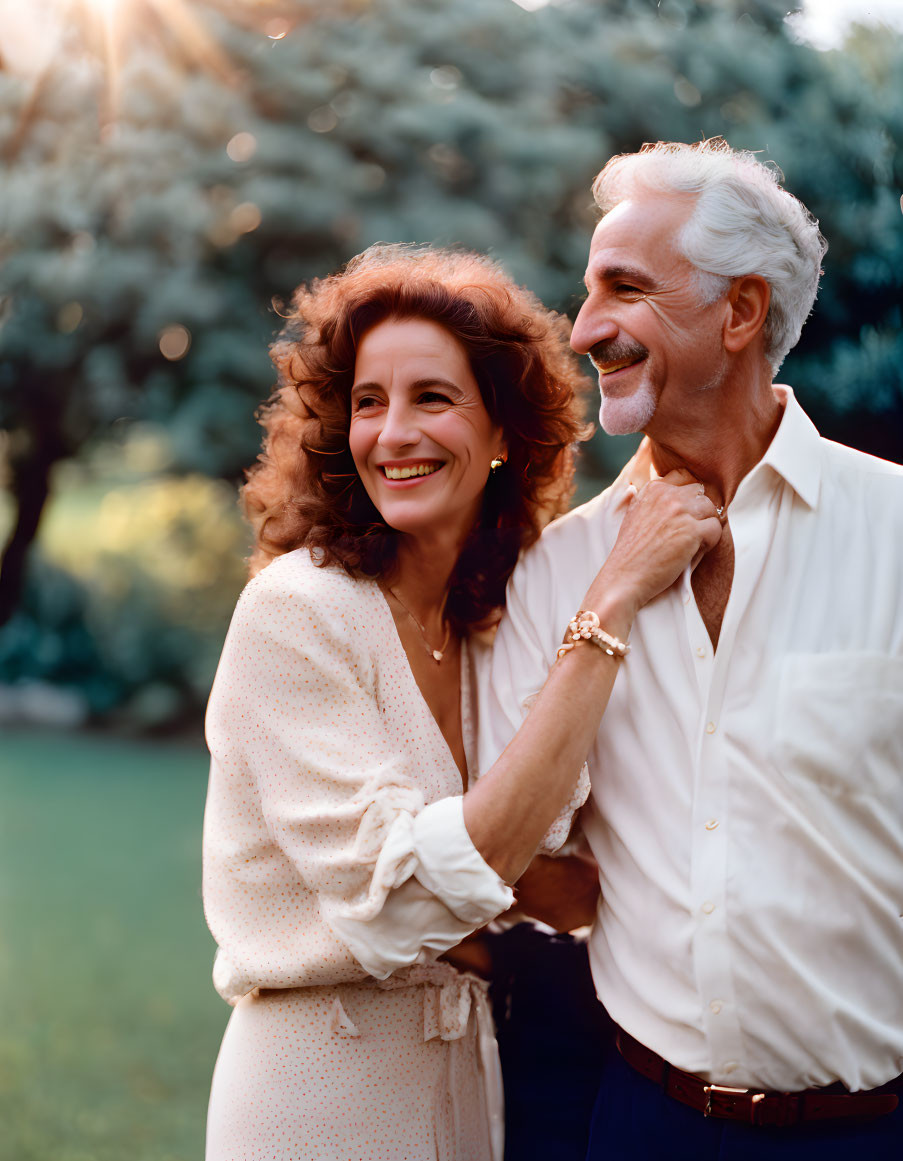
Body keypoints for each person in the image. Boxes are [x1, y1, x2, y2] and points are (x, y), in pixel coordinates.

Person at [201, 242, 720, 1160]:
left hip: (470, 1078)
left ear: (501, 436)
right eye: (367, 401)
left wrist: (485, 863)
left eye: (430, 398)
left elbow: (564, 883)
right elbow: (401, 898)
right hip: (322, 1085)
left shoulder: (488, 626)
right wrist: (612, 599)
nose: (391, 432)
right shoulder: (298, 612)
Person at [480, 138, 903, 1161]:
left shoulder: (893, 531)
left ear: (741, 313)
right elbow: (509, 855)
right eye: (589, 292)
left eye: (626, 290)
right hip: (643, 1122)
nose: (584, 331)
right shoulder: (554, 568)